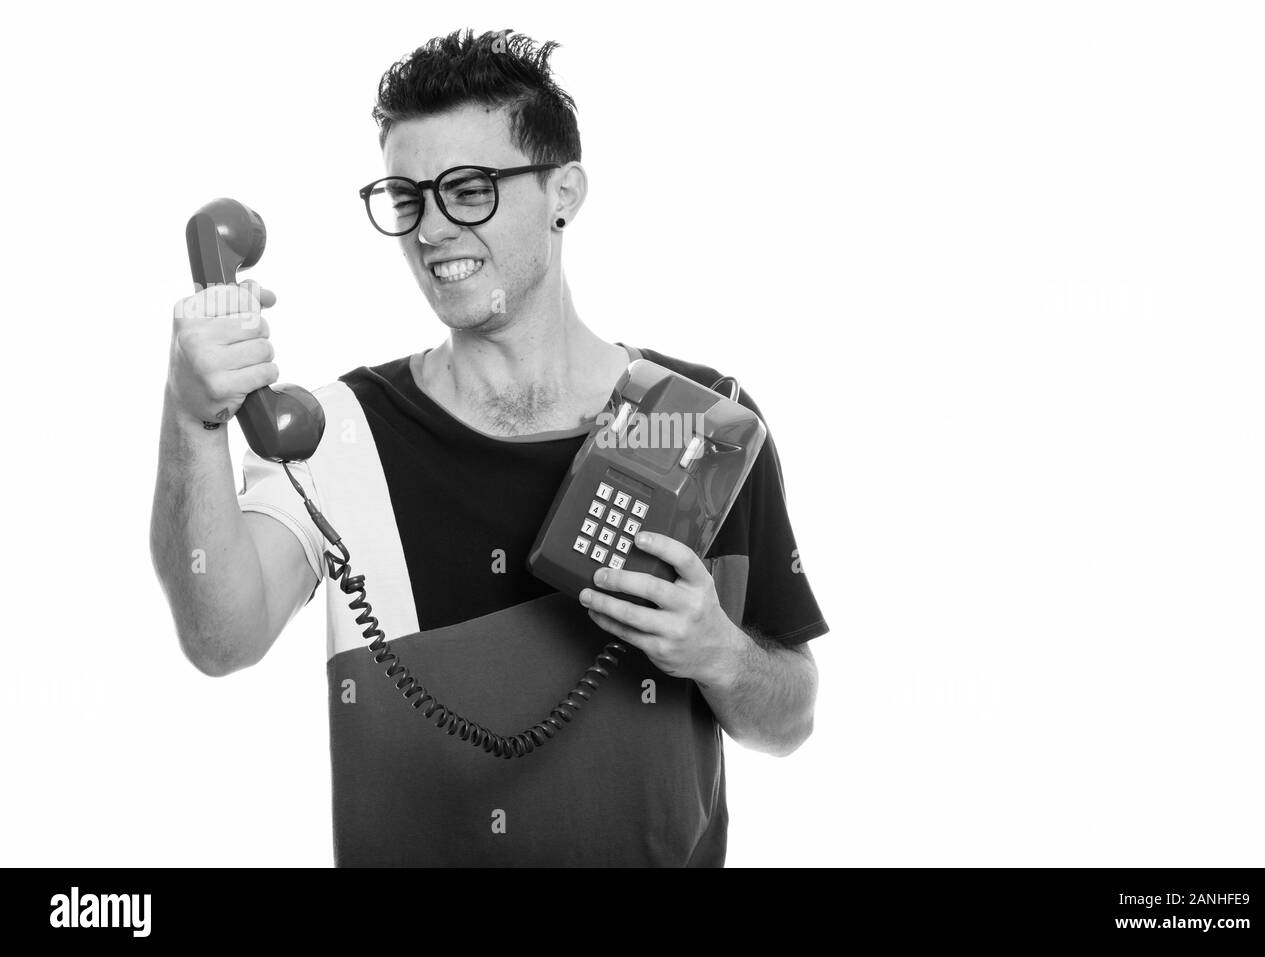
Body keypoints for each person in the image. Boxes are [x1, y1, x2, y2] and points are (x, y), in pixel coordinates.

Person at [150, 28, 828, 867]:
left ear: (564, 191)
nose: (431, 229)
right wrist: (193, 418)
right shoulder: (339, 431)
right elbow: (221, 638)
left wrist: (718, 652)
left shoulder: (702, 421)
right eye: (407, 196)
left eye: (468, 190)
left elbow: (791, 715)